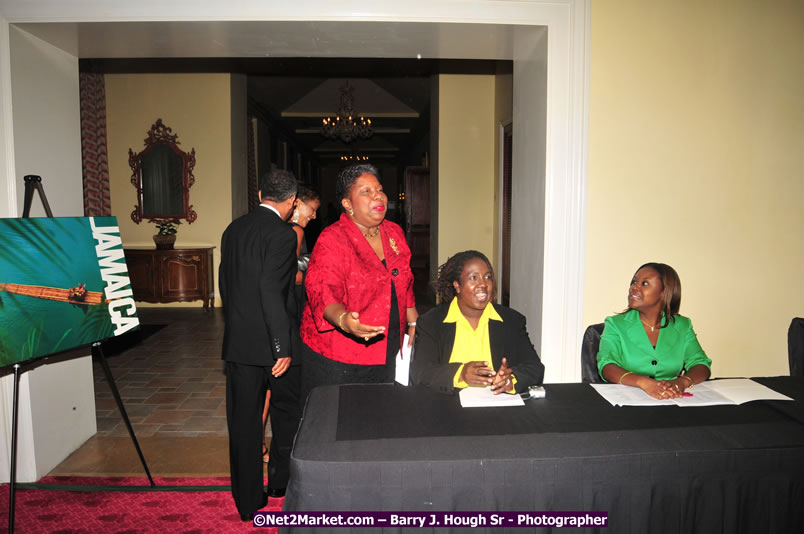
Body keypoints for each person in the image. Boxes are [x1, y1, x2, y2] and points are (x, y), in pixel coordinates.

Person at [219, 169, 302, 521]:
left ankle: (246, 500)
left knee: (243, 422)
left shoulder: (232, 229)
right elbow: (272, 292)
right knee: (286, 415)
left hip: (238, 342)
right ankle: (280, 485)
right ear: (291, 201)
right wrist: (281, 346)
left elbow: (225, 283)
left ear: (259, 194)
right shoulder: (283, 234)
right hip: (273, 345)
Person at [300, 164, 417, 400]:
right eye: (366, 191)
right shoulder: (332, 238)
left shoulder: (394, 233)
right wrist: (344, 320)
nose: (378, 196)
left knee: (382, 414)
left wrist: (413, 321)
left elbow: (404, 279)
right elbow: (322, 290)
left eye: (380, 189)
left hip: (389, 343)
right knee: (340, 420)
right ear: (347, 204)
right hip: (341, 352)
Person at [411, 250, 545, 395]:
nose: (483, 284)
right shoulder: (432, 322)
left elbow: (534, 367)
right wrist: (461, 374)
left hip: (497, 407)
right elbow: (421, 372)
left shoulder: (511, 321)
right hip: (447, 406)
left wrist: (510, 380)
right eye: (473, 278)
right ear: (457, 286)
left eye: (488, 277)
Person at [260, 184, 319, 463]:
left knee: (271, 385)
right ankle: (265, 444)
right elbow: (288, 275)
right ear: (297, 205)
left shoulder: (285, 231)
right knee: (276, 386)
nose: (314, 215)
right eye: (312, 209)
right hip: (288, 309)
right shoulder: (294, 232)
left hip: (282, 308)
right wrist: (315, 272)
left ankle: (257, 442)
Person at [597, 262, 711, 399]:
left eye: (644, 284)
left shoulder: (683, 326)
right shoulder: (616, 324)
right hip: (629, 400)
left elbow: (700, 363)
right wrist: (643, 383)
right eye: (634, 282)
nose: (634, 288)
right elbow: (606, 365)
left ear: (664, 292)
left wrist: (681, 382)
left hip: (671, 400)